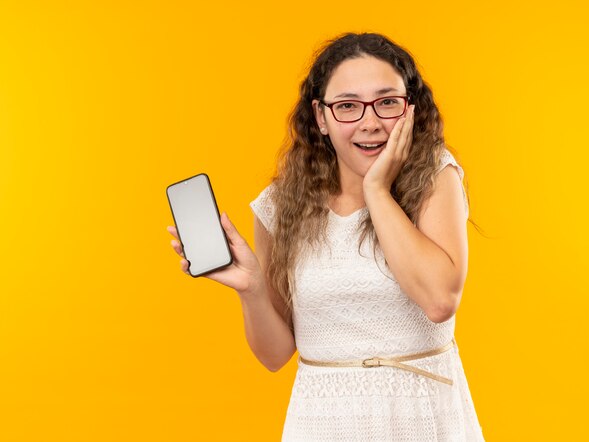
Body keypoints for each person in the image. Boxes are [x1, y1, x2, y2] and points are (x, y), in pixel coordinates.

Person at [168, 32, 484, 441]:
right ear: (321, 117)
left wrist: (376, 190)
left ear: (410, 109)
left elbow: (440, 300)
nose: (370, 122)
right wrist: (252, 290)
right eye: (348, 106)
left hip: (421, 414)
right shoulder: (281, 206)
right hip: (322, 419)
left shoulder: (435, 177)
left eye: (387, 102)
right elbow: (275, 355)